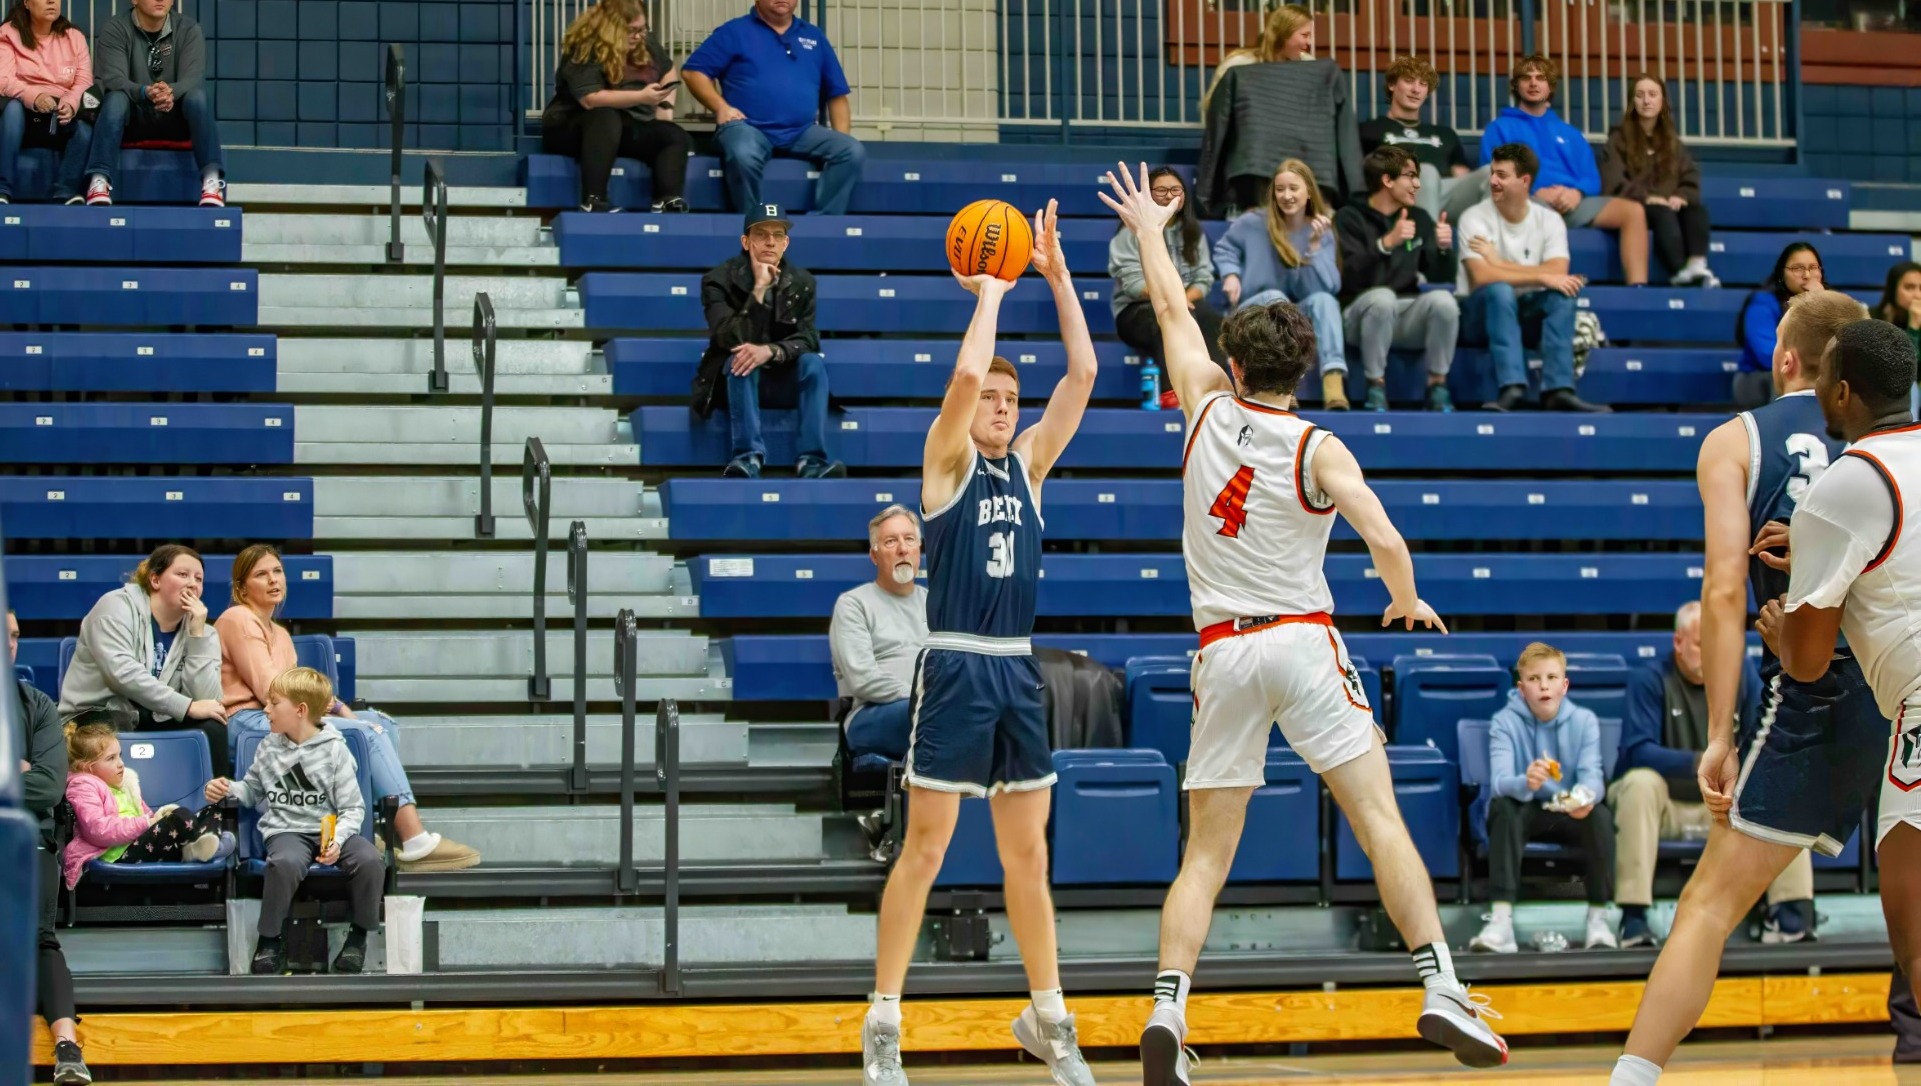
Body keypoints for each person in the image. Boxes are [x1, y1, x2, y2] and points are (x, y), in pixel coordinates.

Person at [1101, 162, 1507, 1084]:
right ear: (1295, 368)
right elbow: (1386, 538)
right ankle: (1439, 983)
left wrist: (1151, 231)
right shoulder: (1321, 444)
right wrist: (1402, 599)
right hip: (1303, 639)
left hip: (1223, 653)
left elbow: (1170, 313)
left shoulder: (1202, 407)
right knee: (1377, 818)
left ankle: (1168, 1004)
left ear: (1235, 364)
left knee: (1205, 853)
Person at [1607, 289, 1879, 1086]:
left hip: (1819, 692)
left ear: (1785, 358)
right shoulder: (1895, 435)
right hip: (1904, 678)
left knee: (1706, 908)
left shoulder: (1737, 440)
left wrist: (1719, 731)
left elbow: (1724, 592)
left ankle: (1632, 1077)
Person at [861, 200, 1099, 1086]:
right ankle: (883, 1021)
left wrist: (1057, 277)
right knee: (924, 849)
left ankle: (1049, 1021)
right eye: (993, 400)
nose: (1000, 406)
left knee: (1027, 855)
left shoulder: (1031, 467)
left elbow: (1080, 371)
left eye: (1010, 399)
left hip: (1017, 672)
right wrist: (991, 293)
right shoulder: (947, 462)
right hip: (954, 664)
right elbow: (962, 381)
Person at [1758, 320, 1921, 1081]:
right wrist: (1825, 554)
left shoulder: (1841, 484)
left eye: (1823, 376)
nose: (1815, 387)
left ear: (1844, 391)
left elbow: (1811, 658)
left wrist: (1778, 623)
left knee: (1915, 936)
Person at [217, 545, 479, 873]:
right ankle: (414, 838)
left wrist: (334, 711)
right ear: (242, 588)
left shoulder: (281, 635)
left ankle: (371, 830)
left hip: (282, 717)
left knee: (381, 723)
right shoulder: (237, 618)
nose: (273, 580)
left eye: (277, 571)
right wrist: (338, 709)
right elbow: (274, 689)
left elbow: (296, 696)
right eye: (261, 574)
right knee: (361, 731)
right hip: (248, 722)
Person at [1610, 601, 1814, 949]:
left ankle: (1791, 915)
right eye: (1701, 643)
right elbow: (1637, 751)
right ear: (1678, 643)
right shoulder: (1650, 678)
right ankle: (1633, 919)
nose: (1711, 653)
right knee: (1640, 783)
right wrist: (1703, 762)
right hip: (1667, 807)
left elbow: (1762, 739)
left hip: (1725, 807)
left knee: (1780, 782)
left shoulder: (1741, 673)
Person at [205, 666, 383, 977]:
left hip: (330, 830)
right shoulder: (269, 746)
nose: (266, 709)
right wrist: (226, 788)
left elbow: (353, 808)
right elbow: (251, 790)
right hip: (287, 830)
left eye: (274, 703)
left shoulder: (335, 751)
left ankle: (358, 937)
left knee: (369, 860)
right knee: (284, 862)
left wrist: (338, 840)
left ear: (300, 711)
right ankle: (271, 939)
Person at [1469, 643, 1617, 954]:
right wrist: (1527, 781)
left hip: (1567, 811)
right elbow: (1499, 782)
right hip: (1526, 808)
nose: (1544, 685)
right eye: (1534, 679)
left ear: (1565, 685)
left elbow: (1594, 776)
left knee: (1600, 814)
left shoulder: (1584, 720)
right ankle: (1501, 921)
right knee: (1502, 808)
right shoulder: (1504, 722)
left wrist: (1582, 798)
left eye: (1551, 677)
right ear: (1521, 688)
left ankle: (1598, 919)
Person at [690, 203, 843, 480]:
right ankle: (747, 456)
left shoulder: (802, 282)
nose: (770, 242)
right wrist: (759, 291)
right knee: (741, 358)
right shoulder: (718, 280)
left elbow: (808, 339)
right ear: (746, 242)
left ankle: (812, 461)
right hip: (734, 384)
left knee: (813, 363)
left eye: (777, 235)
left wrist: (771, 351)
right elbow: (726, 336)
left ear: (786, 243)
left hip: (781, 377)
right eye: (761, 234)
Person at [1456, 142, 1606, 413]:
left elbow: (1558, 274)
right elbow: (1482, 276)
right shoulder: (1473, 218)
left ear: (1524, 181)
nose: (1492, 181)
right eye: (1492, 173)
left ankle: (1558, 389)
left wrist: (1500, 263)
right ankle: (1511, 386)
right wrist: (1540, 275)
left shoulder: (1549, 220)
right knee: (1499, 290)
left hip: (1523, 311)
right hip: (1478, 315)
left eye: (1501, 175)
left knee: (1563, 294)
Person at [58, 543, 230, 777]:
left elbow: (207, 701)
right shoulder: (116, 606)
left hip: (152, 714)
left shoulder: (205, 633)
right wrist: (187, 706)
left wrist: (196, 636)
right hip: (96, 712)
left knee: (213, 726)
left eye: (199, 579)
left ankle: (218, 810)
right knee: (103, 739)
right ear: (155, 580)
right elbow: (121, 674)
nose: (192, 583)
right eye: (182, 574)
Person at [680, 0, 864, 215]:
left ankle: (825, 222)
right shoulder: (735, 31)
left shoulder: (814, 36)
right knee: (743, 153)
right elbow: (693, 73)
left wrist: (843, 136)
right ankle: (753, 222)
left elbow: (837, 95)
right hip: (747, 126)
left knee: (851, 150)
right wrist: (720, 106)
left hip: (801, 130)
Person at [1480, 54, 1649, 286]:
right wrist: (1535, 192)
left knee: (1633, 211)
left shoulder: (1570, 133)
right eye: (1526, 77)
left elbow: (1591, 178)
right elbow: (1490, 174)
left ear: (1550, 87)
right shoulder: (1499, 128)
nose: (1533, 83)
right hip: (1530, 201)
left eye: (1540, 78)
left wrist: (1576, 193)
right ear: (1516, 85)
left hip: (1572, 203)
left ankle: (1638, 289)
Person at [10, 609, 91, 1085]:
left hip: (28, 840)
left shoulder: (35, 704)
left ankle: (67, 1048)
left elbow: (49, 787)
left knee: (41, 937)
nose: (10, 645)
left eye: (16, 637)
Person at [1334, 144, 1459, 412]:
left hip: (1404, 314)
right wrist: (1386, 243)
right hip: (1357, 317)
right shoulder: (1349, 217)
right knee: (1382, 298)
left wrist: (1443, 249)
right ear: (1387, 180)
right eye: (1410, 176)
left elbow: (1441, 275)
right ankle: (1375, 386)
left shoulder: (1420, 219)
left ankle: (1437, 385)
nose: (1417, 184)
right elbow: (1347, 277)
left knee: (1443, 301)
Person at [1213, 159, 1346, 409]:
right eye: (1280, 189)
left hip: (1296, 313)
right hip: (1255, 311)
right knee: (1275, 298)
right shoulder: (1253, 222)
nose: (1286, 196)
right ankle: (1283, 386)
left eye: (1293, 188)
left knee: (1325, 301)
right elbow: (1224, 249)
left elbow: (1329, 287)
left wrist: (1314, 249)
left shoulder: (1321, 230)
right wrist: (1230, 274)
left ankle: (1334, 383)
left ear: (1308, 192)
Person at [540, 0, 688, 214]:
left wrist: (664, 108)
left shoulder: (643, 40)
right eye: (631, 30)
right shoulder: (584, 46)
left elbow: (668, 71)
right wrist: (640, 97)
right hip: (571, 125)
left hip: (621, 125)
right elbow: (590, 99)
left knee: (673, 135)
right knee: (605, 116)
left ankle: (667, 200)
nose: (638, 36)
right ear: (612, 29)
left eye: (642, 29)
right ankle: (594, 200)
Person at [81, 0, 223, 208]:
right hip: (133, 119)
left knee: (197, 97)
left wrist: (170, 92)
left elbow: (193, 78)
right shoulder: (115, 28)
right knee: (115, 98)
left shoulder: (189, 29)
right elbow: (113, 78)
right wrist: (144, 92)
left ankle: (212, 182)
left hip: (175, 117)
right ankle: (99, 180)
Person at [60, 719, 233, 889]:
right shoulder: (83, 786)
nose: (120, 764)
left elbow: (143, 813)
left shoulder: (125, 783)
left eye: (119, 756)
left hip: (140, 844)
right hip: (116, 854)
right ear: (88, 768)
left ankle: (200, 846)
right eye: (111, 759)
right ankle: (203, 846)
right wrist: (148, 823)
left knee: (212, 809)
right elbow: (97, 830)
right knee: (179, 817)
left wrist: (156, 818)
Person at [831, 504, 929, 761]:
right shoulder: (853, 604)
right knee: (934, 717)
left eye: (909, 539)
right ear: (874, 556)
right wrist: (923, 697)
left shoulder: (937, 605)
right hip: (874, 715)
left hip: (933, 708)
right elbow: (862, 679)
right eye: (890, 541)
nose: (902, 548)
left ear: (919, 550)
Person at [1109, 167, 1226, 375]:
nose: (1169, 196)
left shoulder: (1193, 232)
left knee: (1218, 326)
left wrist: (1182, 301)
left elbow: (1203, 277)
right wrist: (1174, 303)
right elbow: (1133, 283)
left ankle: (1215, 392)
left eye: (1175, 190)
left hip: (1187, 302)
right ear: (1147, 195)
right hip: (1137, 309)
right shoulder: (1129, 232)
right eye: (1161, 191)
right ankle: (1172, 394)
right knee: (1169, 322)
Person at [1601, 74, 1716, 287]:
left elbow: (1689, 175)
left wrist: (1681, 195)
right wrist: (1647, 198)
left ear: (1662, 101)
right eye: (1640, 95)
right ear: (1632, 101)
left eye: (1653, 95)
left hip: (1668, 202)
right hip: (1637, 203)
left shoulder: (1672, 141)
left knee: (1696, 209)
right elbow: (1613, 179)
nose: (1646, 101)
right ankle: (1679, 271)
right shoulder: (1618, 139)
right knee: (1662, 213)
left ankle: (1696, 265)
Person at [1358, 55, 1480, 225]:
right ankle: (1428, 244)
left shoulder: (1446, 134)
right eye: (1409, 81)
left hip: (1444, 194)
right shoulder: (1369, 130)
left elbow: (1462, 177)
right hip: (1396, 193)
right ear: (1392, 85)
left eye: (1423, 84)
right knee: (1426, 172)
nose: (1416, 90)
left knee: (1492, 174)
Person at [0, 0, 93, 205]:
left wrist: (70, 103)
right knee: (12, 109)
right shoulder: (8, 33)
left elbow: (84, 80)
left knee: (85, 128)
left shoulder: (73, 36)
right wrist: (34, 96)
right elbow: (4, 79)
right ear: (26, 3)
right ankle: (2, 189)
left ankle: (64, 192)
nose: (52, 1)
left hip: (58, 112)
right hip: (23, 112)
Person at [1735, 242, 1825, 408]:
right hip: (1758, 378)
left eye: (1813, 268)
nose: (1807, 275)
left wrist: (1822, 305)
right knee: (1788, 372)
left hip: (1811, 374)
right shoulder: (1764, 302)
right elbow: (1766, 355)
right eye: (1798, 268)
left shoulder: (1830, 302)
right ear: (1782, 274)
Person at [1201, 2, 1312, 117]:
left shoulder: (1308, 64)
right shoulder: (1238, 65)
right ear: (1283, 35)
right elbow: (1214, 108)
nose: (1309, 42)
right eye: (1304, 35)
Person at [1875, 260, 1921, 364]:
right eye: (1909, 288)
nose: (1918, 295)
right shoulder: (1872, 319)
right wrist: (1913, 327)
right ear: (1893, 290)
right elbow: (1903, 369)